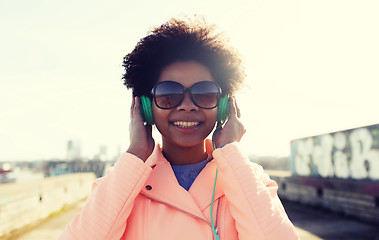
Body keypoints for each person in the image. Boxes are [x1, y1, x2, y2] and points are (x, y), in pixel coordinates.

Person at [59, 17, 299, 240]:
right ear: (145, 107)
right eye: (168, 95)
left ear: (224, 106)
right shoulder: (120, 186)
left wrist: (230, 150)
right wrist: (135, 154)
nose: (187, 106)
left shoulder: (249, 181)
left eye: (204, 94)